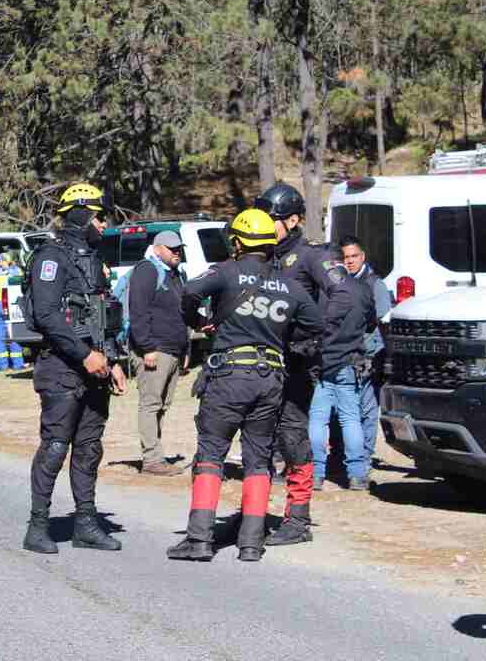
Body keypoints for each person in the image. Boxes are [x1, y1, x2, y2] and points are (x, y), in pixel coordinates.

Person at [166, 208, 321, 563]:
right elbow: (314, 325)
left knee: (210, 454)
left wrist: (200, 320)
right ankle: (251, 544)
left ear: (237, 242)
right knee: (258, 458)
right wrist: (279, 334)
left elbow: (189, 292)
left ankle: (199, 538)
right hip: (271, 381)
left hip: (228, 378)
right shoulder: (291, 285)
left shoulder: (226, 272)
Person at [21, 183, 128, 555]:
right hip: (61, 368)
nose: (103, 223)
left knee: (89, 448)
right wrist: (84, 355)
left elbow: (102, 316)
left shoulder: (93, 260)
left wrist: (110, 361)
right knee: (55, 446)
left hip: (96, 368)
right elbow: (48, 316)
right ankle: (38, 526)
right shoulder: (50, 257)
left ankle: (86, 523)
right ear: (81, 215)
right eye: (98, 216)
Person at [253, 182, 338, 547]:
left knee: (293, 438)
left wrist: (314, 338)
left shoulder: (311, 256)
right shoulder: (264, 258)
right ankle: (253, 517)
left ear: (292, 220)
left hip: (297, 367)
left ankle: (298, 519)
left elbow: (346, 295)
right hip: (262, 365)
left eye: (269, 220)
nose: (263, 226)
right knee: (259, 439)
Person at [308, 250, 376, 491]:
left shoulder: (325, 291)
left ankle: (315, 473)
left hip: (325, 362)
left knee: (317, 419)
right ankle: (357, 474)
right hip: (350, 361)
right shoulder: (363, 289)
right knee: (351, 419)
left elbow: (315, 325)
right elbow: (371, 322)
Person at [127, 230, 189, 476]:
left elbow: (181, 315)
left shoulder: (176, 275)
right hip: (154, 349)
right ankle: (152, 460)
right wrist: (147, 348)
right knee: (151, 404)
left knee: (163, 405)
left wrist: (186, 349)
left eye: (178, 248)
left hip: (173, 349)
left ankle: (156, 454)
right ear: (156, 249)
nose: (176, 252)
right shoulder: (147, 270)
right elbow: (138, 311)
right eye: (171, 248)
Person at [339, 235, 392, 469]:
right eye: (345, 257)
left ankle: (365, 456)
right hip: (344, 353)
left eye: (353, 256)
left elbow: (381, 321)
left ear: (362, 257)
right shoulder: (339, 283)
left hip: (369, 354)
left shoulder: (375, 285)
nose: (349, 261)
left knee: (367, 408)